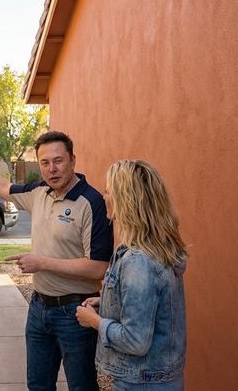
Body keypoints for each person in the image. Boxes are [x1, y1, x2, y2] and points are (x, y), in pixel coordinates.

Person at [0, 131, 113, 391]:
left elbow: (98, 266)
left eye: (58, 161)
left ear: (73, 160)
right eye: (45, 163)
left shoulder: (91, 203)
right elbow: (3, 187)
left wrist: (42, 263)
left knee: (82, 386)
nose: (52, 169)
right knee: (37, 385)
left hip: (76, 312)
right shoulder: (39, 191)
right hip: (39, 308)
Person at [75, 160, 187, 390]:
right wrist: (107, 300)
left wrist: (94, 321)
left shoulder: (139, 261)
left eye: (108, 191)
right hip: (157, 378)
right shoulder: (157, 249)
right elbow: (150, 307)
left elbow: (135, 340)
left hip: (143, 382)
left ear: (124, 200)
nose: (104, 197)